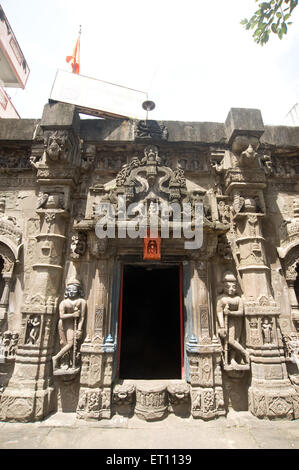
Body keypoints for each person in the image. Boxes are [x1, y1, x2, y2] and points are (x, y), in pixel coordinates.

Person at [52, 279, 86, 371]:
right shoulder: (64, 302)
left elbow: (82, 317)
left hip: (72, 324)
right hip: (63, 324)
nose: (71, 292)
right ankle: (64, 362)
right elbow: (61, 316)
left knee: (71, 343)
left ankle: (59, 358)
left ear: (79, 290)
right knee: (63, 343)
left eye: (74, 290)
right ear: (66, 291)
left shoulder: (81, 301)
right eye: (69, 290)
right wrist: (73, 315)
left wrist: (79, 329)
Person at [216, 272, 249, 366]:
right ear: (224, 287)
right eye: (228, 287)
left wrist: (230, 313)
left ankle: (233, 359)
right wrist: (222, 326)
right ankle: (244, 353)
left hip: (237, 321)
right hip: (227, 322)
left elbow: (241, 312)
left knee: (236, 339)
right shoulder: (221, 299)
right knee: (230, 340)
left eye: (233, 287)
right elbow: (219, 312)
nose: (231, 289)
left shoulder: (238, 299)